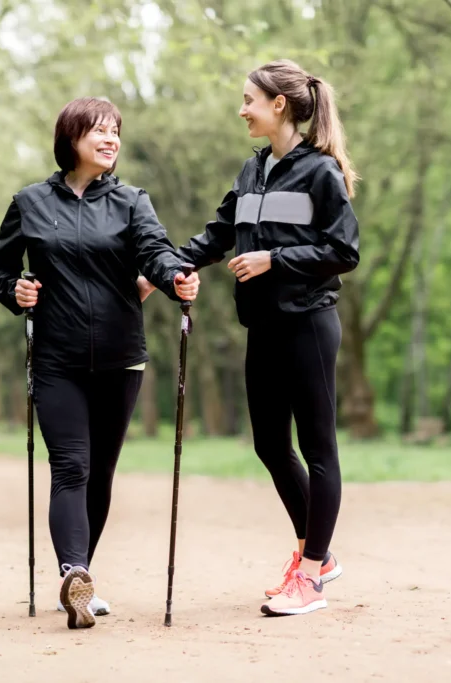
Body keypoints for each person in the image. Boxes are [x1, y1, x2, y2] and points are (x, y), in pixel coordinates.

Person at [142, 59, 359, 616]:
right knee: (268, 444)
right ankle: (321, 554)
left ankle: (310, 574)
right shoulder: (252, 170)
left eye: (249, 100)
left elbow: (344, 251)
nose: (242, 110)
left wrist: (274, 259)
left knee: (318, 449)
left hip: (310, 321)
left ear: (278, 104)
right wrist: (159, 271)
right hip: (262, 325)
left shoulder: (321, 173)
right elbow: (217, 235)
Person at [0, 97, 200, 630]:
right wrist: (17, 290)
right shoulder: (29, 202)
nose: (110, 139)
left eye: (116, 131)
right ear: (71, 138)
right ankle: (74, 570)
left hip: (121, 358)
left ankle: (81, 580)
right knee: (71, 466)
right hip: (57, 357)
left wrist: (175, 277)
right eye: (99, 130)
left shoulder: (131, 201)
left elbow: (155, 250)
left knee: (99, 472)